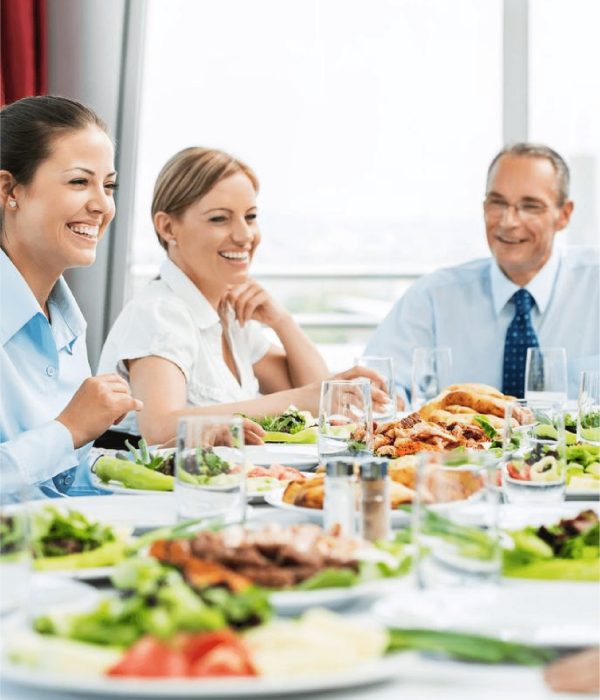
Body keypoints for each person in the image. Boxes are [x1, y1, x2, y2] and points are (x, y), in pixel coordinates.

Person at [98, 147, 387, 446]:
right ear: (168, 227)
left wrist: (282, 321)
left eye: (250, 217)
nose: (244, 235)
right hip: (151, 491)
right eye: (220, 219)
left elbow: (316, 394)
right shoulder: (159, 312)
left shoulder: (228, 312)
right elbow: (159, 427)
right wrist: (303, 398)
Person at [365, 143, 599, 404]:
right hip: (460, 444)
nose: (508, 222)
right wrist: (386, 401)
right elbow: (378, 382)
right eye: (497, 203)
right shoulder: (433, 296)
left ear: (564, 215)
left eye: (530, 206)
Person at [0, 96, 142, 498]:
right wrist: (68, 430)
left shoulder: (63, 322)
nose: (102, 205)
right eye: (79, 181)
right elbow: (65, 439)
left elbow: (66, 475)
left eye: (108, 185)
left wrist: (184, 454)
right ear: (9, 189)